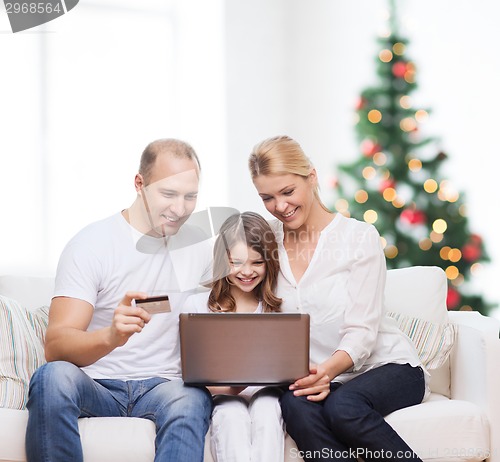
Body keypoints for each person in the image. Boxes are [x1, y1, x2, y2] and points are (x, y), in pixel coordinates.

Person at [25, 138, 213, 462]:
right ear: (140, 184)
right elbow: (56, 346)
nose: (180, 208)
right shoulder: (92, 245)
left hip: (164, 386)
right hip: (97, 384)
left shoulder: (201, 247)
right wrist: (111, 336)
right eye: (168, 194)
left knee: (192, 399)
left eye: (190, 196)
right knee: (50, 378)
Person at [248, 135, 428, 462]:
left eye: (288, 192)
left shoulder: (358, 238)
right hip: (319, 376)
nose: (280, 206)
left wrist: (327, 372)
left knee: (342, 407)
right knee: (293, 404)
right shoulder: (265, 243)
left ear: (311, 177)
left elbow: (362, 331)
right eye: (267, 198)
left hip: (388, 367)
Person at [186, 211, 285, 462]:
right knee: (231, 415)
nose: (247, 272)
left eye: (257, 262)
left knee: (267, 410)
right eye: (236, 262)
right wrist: (232, 387)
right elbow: (191, 375)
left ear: (269, 262)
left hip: (268, 394)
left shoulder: (278, 308)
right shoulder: (198, 306)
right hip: (222, 395)